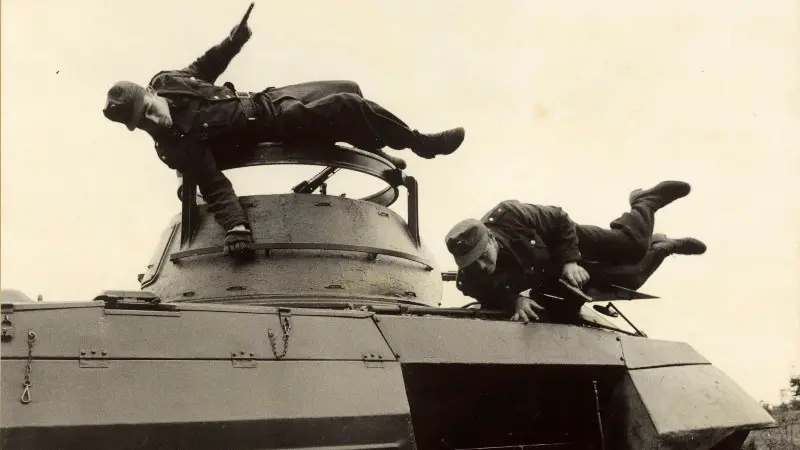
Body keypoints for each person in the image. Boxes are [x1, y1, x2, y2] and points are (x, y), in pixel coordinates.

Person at [102, 18, 465, 260]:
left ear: (150, 93)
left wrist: (234, 41)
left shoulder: (167, 82)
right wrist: (237, 226)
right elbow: (212, 183)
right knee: (347, 105)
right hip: (272, 125)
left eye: (150, 108)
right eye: (144, 122)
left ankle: (375, 144)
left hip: (265, 99)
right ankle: (421, 144)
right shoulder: (173, 145)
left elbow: (205, 67)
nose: (154, 118)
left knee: (348, 88)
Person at [444, 181, 707, 323]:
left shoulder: (510, 215)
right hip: (548, 270)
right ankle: (664, 247)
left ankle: (644, 202)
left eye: (481, 255)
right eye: (469, 262)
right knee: (633, 276)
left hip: (564, 240)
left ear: (489, 238)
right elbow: (489, 295)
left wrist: (571, 260)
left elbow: (559, 217)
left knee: (633, 246)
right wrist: (514, 300)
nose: (479, 265)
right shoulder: (470, 279)